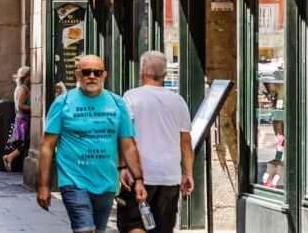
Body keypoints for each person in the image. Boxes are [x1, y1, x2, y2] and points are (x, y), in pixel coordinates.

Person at [37, 55, 145, 233]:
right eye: (87, 72)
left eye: (97, 72)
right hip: (73, 182)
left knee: (98, 230)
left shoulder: (118, 104)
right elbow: (47, 146)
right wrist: (43, 186)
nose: (92, 76)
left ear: (104, 75)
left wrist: (139, 179)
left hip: (107, 183)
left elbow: (128, 144)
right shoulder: (62, 103)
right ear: (78, 75)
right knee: (85, 229)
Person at [117, 51, 194, 233]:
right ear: (165, 74)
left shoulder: (131, 97)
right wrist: (188, 173)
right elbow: (185, 142)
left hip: (140, 175)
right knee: (162, 227)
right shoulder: (178, 101)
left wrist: (122, 167)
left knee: (133, 223)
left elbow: (125, 136)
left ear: (141, 72)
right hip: (169, 176)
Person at [3, 66, 32, 172]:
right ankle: (9, 157)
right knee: (25, 142)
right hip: (24, 119)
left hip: (21, 118)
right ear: (26, 77)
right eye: (30, 75)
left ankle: (10, 157)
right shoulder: (24, 89)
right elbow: (20, 105)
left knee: (23, 142)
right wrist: (35, 109)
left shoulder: (20, 88)